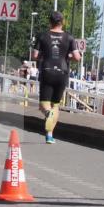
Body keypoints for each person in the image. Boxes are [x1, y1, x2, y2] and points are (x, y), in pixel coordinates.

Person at [32, 11, 82, 144]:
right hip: (62, 72)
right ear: (62, 22)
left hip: (47, 71)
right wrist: (68, 56)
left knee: (44, 105)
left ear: (50, 22)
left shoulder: (42, 36)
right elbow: (77, 57)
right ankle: (50, 135)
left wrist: (46, 55)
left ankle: (48, 115)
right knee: (55, 105)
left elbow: (35, 56)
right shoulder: (69, 37)